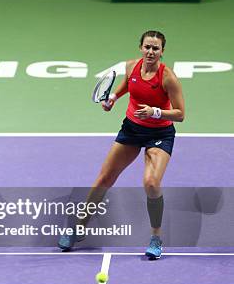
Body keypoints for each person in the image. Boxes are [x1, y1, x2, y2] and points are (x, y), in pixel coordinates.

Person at [58, 30, 185, 260]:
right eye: (147, 47)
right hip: (132, 129)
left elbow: (180, 114)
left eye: (156, 48)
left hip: (159, 133)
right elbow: (129, 85)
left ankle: (156, 237)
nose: (150, 52)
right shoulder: (131, 66)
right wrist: (114, 99)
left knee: (151, 183)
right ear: (141, 48)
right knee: (104, 179)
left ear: (162, 52)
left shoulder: (168, 78)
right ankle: (79, 227)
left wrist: (155, 112)